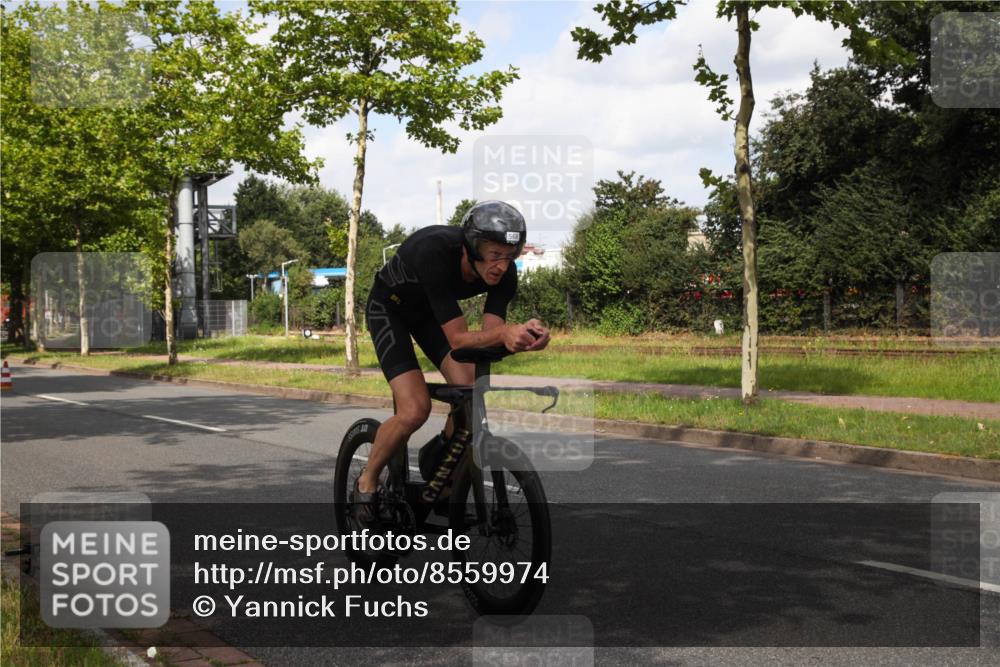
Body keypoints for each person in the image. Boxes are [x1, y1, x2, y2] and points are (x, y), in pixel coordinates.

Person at [354, 200, 550, 526]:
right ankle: (368, 480)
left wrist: (524, 339)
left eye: (509, 256)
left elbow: (488, 338)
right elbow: (459, 339)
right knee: (414, 409)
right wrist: (504, 333)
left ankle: (442, 468)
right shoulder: (435, 252)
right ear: (472, 247)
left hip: (430, 314)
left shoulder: (505, 276)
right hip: (390, 309)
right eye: (494, 254)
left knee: (471, 389)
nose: (502, 265)